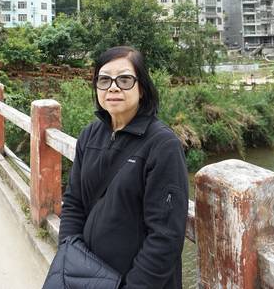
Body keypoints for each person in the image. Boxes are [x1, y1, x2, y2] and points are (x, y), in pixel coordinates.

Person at [49, 46, 189, 288]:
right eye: (104, 80)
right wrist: (70, 254)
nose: (113, 87)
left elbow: (165, 236)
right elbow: (74, 202)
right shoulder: (90, 135)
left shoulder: (162, 145)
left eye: (124, 80)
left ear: (142, 88)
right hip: (86, 276)